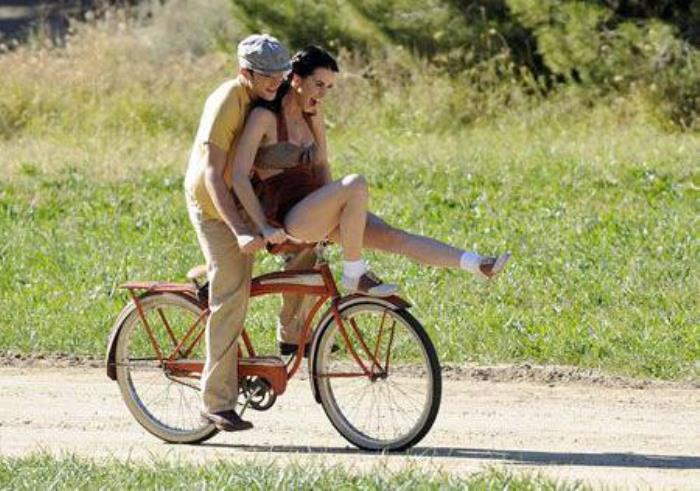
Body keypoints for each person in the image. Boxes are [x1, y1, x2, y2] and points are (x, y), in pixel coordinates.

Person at [231, 46, 510, 313]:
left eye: (329, 87)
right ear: (296, 79)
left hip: (317, 209)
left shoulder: (313, 114)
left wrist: (333, 209)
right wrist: (264, 227)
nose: (323, 93)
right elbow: (239, 175)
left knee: (394, 237)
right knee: (355, 183)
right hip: (292, 216)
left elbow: (322, 165)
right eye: (318, 84)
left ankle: (477, 264)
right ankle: (354, 273)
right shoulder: (264, 117)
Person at [184, 34, 315, 433]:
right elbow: (213, 175)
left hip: (251, 197)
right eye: (267, 76)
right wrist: (242, 231)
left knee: (306, 242)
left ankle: (291, 334)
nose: (276, 82)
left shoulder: (271, 96)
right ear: (245, 72)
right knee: (233, 295)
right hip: (214, 205)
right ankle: (216, 403)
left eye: (281, 75)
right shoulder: (227, 100)